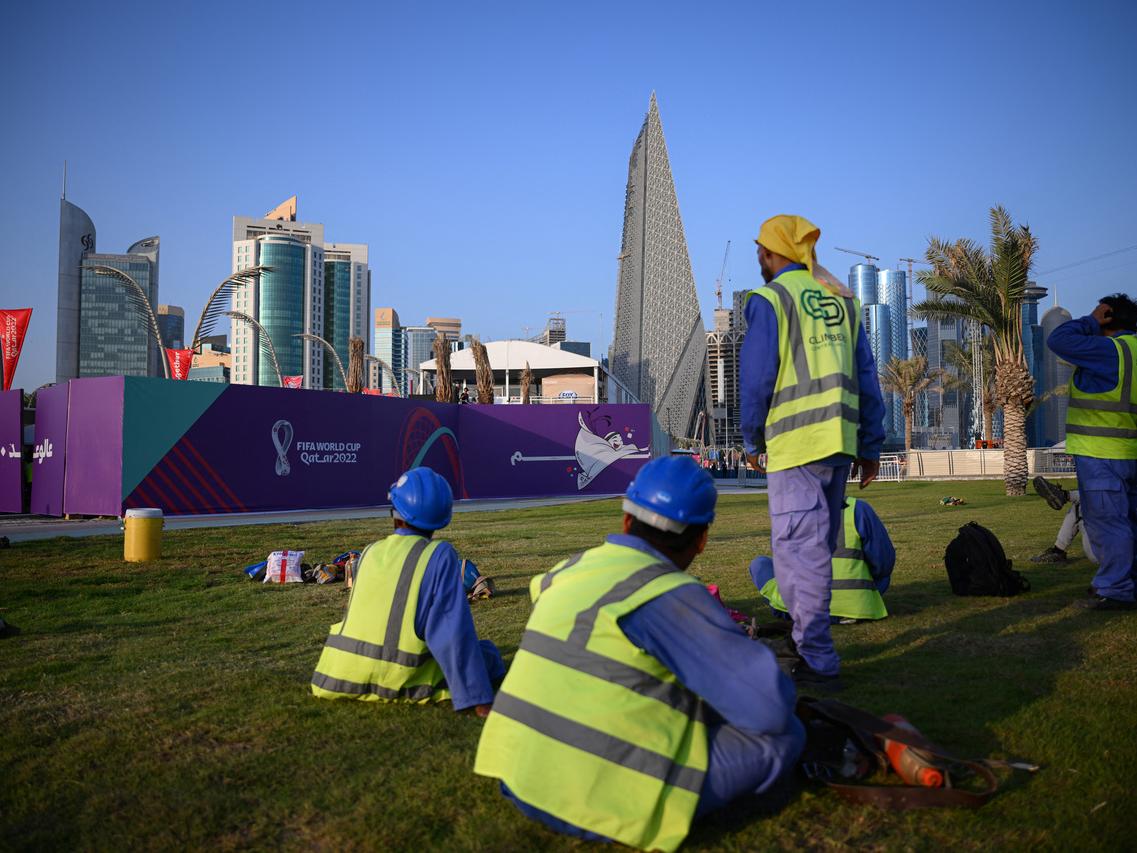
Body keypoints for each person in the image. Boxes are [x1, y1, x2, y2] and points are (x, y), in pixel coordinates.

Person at [474, 457, 803, 853]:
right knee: (786, 735)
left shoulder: (566, 569)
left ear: (626, 520)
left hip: (518, 776)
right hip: (597, 800)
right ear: (701, 539)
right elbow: (767, 710)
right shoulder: (670, 592)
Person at [740, 214, 887, 688]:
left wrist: (751, 440)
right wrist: (869, 445)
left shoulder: (771, 299)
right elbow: (867, 379)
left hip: (795, 445)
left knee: (799, 552)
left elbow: (759, 379)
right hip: (839, 444)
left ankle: (817, 659)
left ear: (769, 252)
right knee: (817, 551)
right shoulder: (844, 301)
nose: (759, 258)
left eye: (760, 250)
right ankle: (811, 645)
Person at [311, 467, 504, 712]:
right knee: (489, 655)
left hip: (339, 675)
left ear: (395, 511)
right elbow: (451, 632)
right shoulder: (438, 555)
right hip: (398, 678)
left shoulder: (369, 552)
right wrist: (478, 700)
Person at [1046, 293, 1137, 611]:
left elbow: (1058, 339)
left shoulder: (1109, 351)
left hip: (1102, 453)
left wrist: (1091, 321)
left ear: (1109, 317)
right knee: (1130, 521)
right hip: (1130, 451)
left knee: (1110, 523)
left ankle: (1115, 589)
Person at [750, 497, 894, 622]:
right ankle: (853, 601)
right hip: (857, 606)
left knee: (760, 564)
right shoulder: (858, 509)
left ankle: (786, 606)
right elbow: (884, 563)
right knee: (882, 572)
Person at [1029, 475, 1097, 564]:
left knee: (1082, 505)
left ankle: (1064, 495)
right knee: (1078, 506)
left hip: (1106, 554)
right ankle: (1058, 551)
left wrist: (1066, 495)